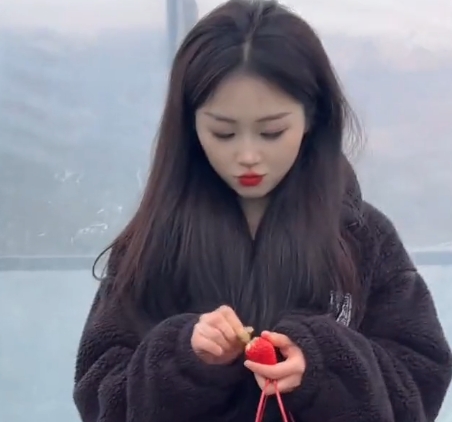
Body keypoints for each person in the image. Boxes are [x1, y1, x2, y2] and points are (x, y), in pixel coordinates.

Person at [73, 0, 452, 421]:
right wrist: (182, 359)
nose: (248, 156)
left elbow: (420, 380)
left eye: (272, 131)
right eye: (223, 132)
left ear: (312, 117)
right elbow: (99, 392)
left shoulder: (364, 235)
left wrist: (324, 366)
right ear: (190, 125)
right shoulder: (152, 241)